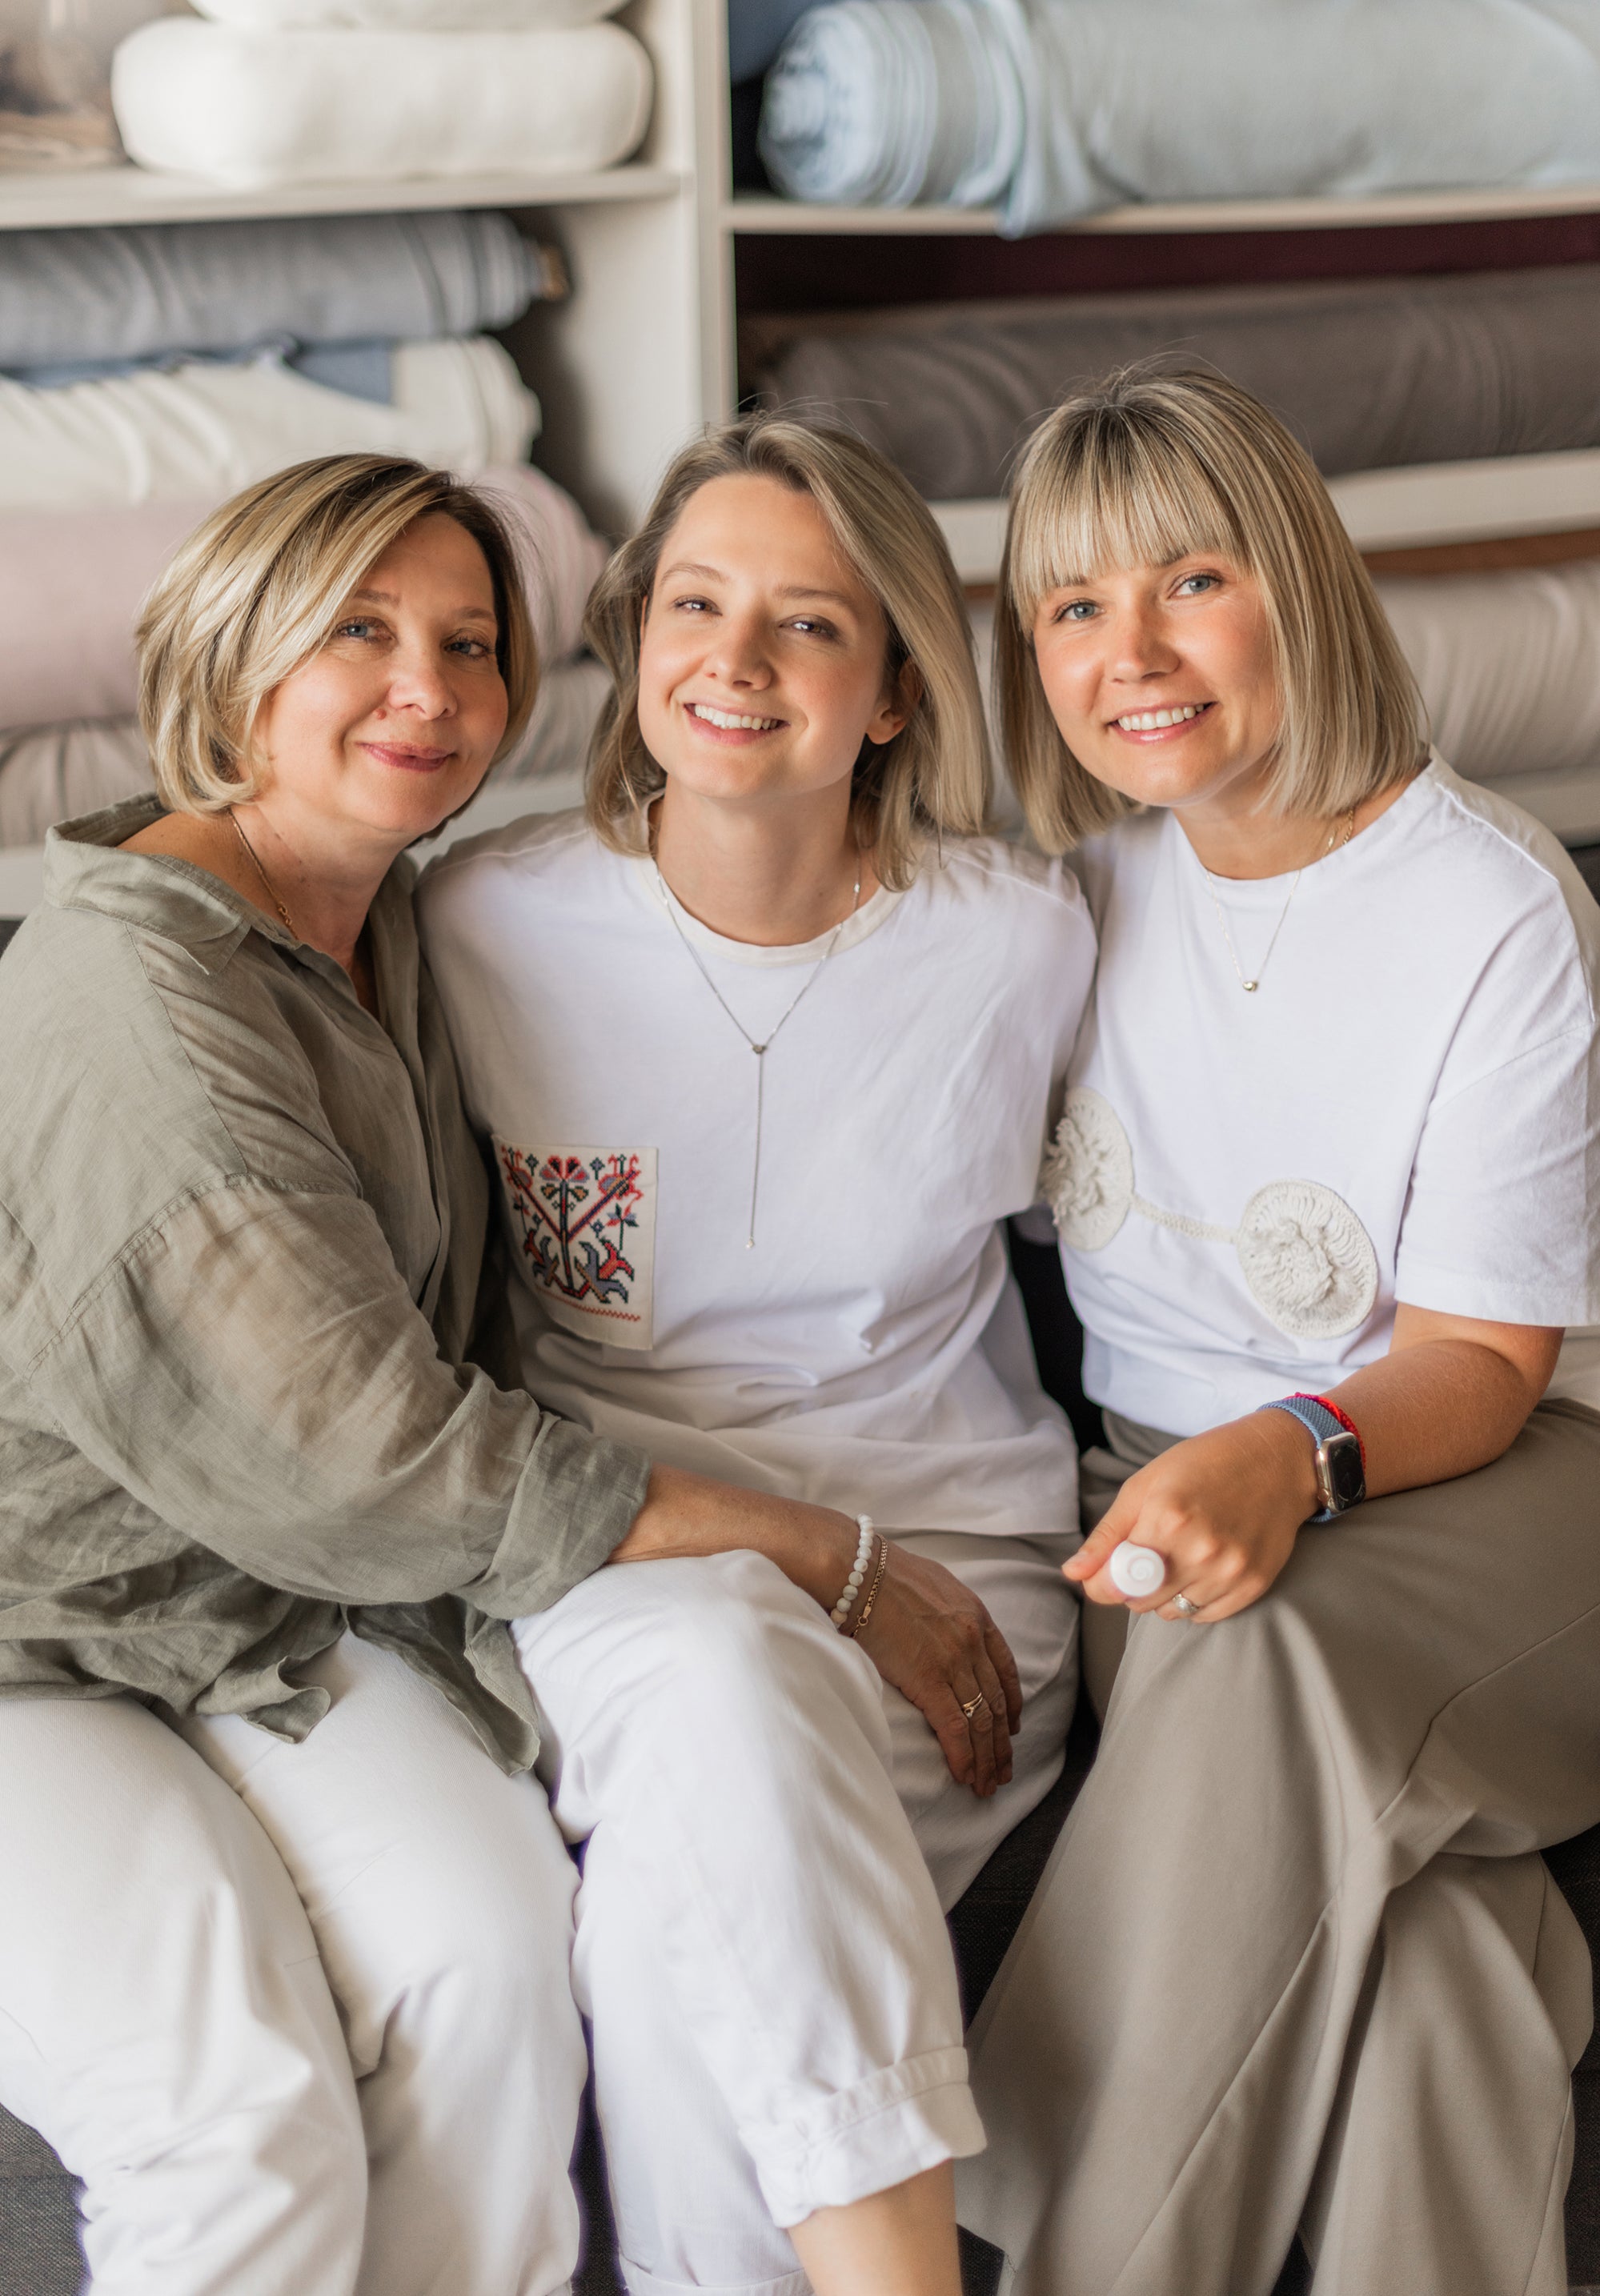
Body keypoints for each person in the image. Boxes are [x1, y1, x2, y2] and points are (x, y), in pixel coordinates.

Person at [0, 451, 996, 2296]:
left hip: (277, 1625)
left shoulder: (398, 930)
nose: (429, 690)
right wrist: (828, 1552)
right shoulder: (133, 994)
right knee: (239, 2109)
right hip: (40, 1646)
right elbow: (372, 1456)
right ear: (236, 658)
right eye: (358, 632)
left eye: (471, 642)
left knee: (492, 1964)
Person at [419, 415, 1096, 2296]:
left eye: (807, 624)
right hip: (613, 1564)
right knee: (721, 1663)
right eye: (696, 603)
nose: (734, 658)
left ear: (889, 691)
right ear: (633, 640)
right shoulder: (477, 919)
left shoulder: (1025, 943)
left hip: (960, 1596)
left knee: (668, 1916)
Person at [953, 365, 1600, 2296]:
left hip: (1498, 1481)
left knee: (1261, 1651)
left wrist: (1284, 1451)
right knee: (1441, 1957)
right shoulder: (1072, 895)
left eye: (1187, 581)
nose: (1128, 652)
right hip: (1166, 1484)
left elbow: (1485, 1365)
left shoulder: (1491, 908)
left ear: (1293, 586)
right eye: (1071, 607)